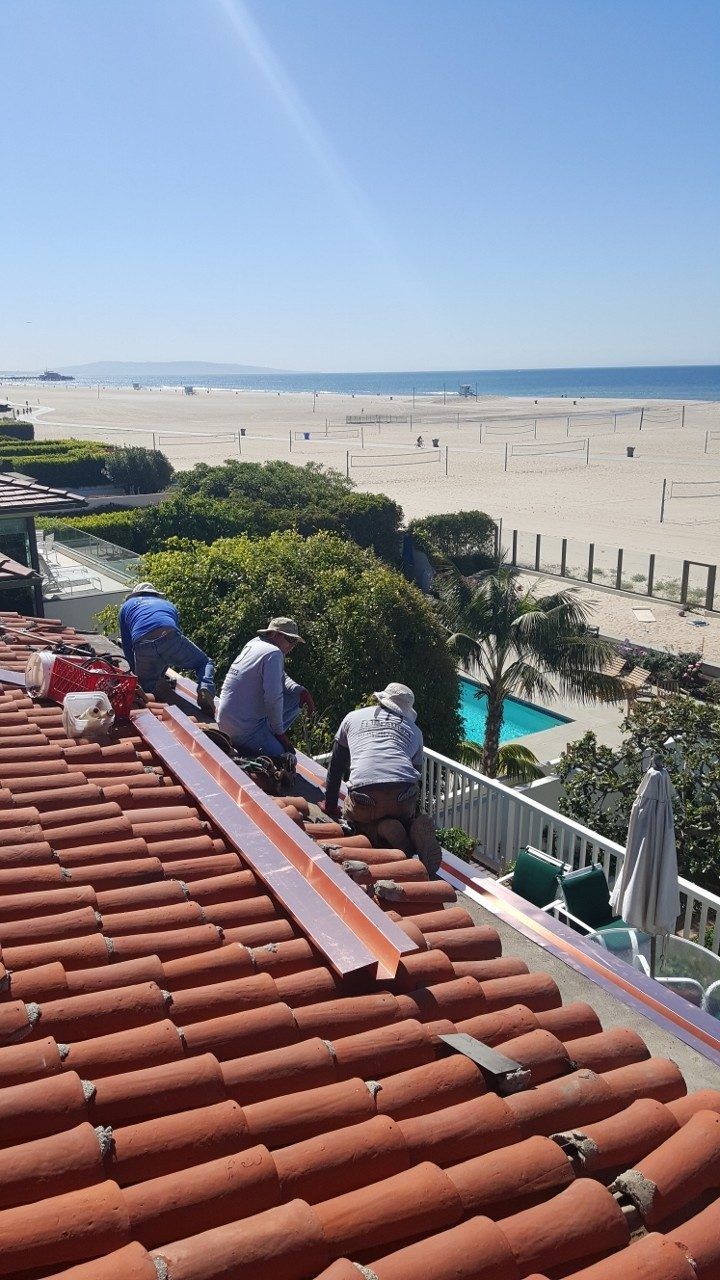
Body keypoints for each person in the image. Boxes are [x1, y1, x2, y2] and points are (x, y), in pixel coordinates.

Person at [321, 683, 442, 874]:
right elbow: (414, 776)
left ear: (381, 699)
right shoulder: (415, 731)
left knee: (354, 821)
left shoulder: (352, 718)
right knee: (401, 807)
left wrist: (329, 805)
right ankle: (409, 826)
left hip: (366, 798)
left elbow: (336, 767)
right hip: (402, 796)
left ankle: (377, 830)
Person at [217, 617, 315, 757]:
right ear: (276, 635)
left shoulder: (255, 643)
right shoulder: (274, 653)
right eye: (291, 640)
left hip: (226, 721)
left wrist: (300, 690)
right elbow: (273, 698)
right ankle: (268, 738)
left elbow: (279, 675)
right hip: (244, 732)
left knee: (296, 695)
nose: (292, 646)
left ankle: (268, 734)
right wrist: (280, 735)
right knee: (287, 758)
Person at [119, 583, 215, 714]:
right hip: (170, 637)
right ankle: (205, 689)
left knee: (145, 691)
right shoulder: (169, 605)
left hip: (143, 646)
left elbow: (127, 645)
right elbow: (171, 641)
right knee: (204, 662)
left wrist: (136, 674)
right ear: (156, 594)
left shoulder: (126, 607)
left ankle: (150, 709)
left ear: (134, 595)